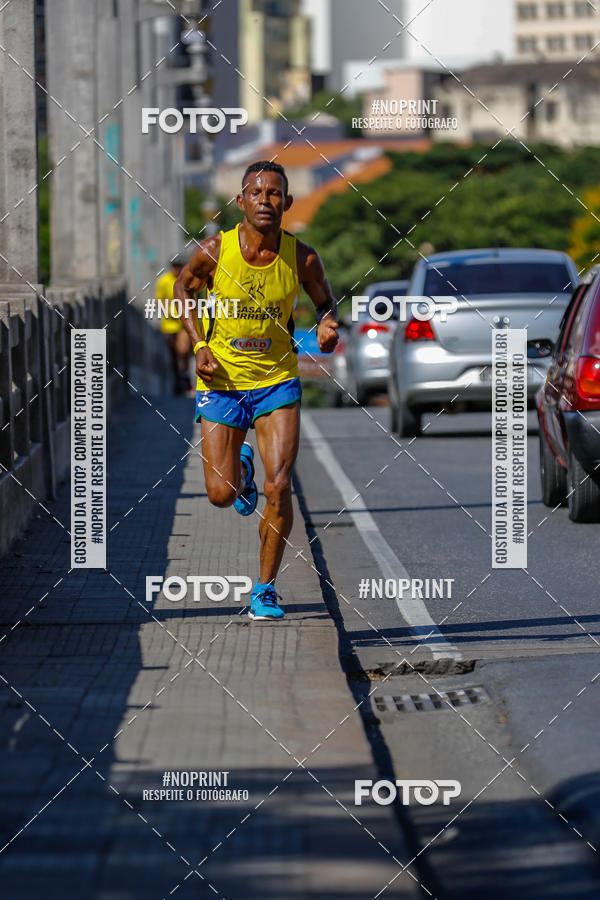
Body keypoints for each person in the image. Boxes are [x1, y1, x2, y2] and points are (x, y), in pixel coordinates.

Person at [175, 161, 338, 621]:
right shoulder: (214, 251)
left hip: (276, 383)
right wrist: (200, 344)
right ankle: (239, 472)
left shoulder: (302, 257)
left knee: (280, 484)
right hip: (222, 382)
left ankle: (264, 589)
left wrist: (328, 323)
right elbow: (182, 290)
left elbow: (326, 301)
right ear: (241, 201)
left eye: (275, 194)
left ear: (287, 203)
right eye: (257, 193)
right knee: (221, 495)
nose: (265, 201)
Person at [156, 254, 192, 395]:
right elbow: (158, 300)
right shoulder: (164, 281)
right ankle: (178, 380)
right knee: (173, 355)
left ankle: (186, 375)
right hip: (169, 325)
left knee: (183, 351)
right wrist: (169, 310)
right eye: (175, 267)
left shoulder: (187, 280)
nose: (177, 269)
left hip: (183, 324)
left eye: (180, 266)